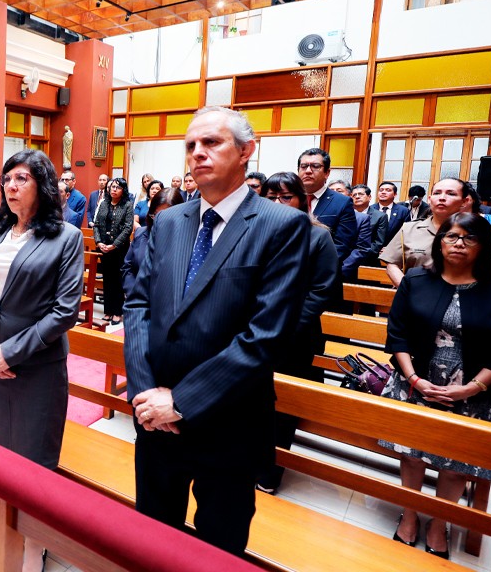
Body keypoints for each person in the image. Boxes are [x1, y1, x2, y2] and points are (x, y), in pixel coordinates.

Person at [124, 107, 309, 556]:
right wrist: (148, 394)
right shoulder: (169, 222)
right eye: (190, 146)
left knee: (217, 549)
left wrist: (181, 402)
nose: (198, 153)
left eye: (211, 143)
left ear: (246, 150)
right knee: (152, 535)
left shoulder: (281, 225)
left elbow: (265, 335)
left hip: (230, 421)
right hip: (156, 420)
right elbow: (137, 305)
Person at [0, 149, 84, 572]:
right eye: (6, 179)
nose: (10, 187)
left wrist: (8, 353)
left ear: (43, 185)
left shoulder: (65, 237)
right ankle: (4, 532)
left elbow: (64, 311)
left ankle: (35, 544)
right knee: (2, 455)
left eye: (21, 179)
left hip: (36, 366)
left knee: (34, 460)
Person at [380, 213, 491, 559]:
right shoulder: (415, 280)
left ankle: (441, 522)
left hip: (472, 392)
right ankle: (409, 513)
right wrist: (413, 378)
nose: (458, 244)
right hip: (416, 382)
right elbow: (396, 334)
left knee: (456, 463)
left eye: (469, 238)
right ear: (439, 242)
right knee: (411, 456)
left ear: (485, 246)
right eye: (451, 236)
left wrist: (469, 389)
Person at [257, 172, 340, 493]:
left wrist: (284, 325)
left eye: (285, 196)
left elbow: (323, 290)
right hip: (255, 330)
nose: (277, 203)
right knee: (251, 400)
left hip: (294, 335)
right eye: (270, 196)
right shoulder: (254, 231)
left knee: (282, 405)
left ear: (302, 200)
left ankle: (270, 470)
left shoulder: (317, 237)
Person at [379, 178, 491, 286]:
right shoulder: (409, 229)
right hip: (417, 300)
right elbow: (391, 263)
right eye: (437, 193)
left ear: (464, 201)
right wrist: (407, 290)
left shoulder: (480, 230)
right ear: (429, 199)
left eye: (451, 194)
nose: (442, 198)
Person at [298, 148, 357, 261]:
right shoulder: (288, 199)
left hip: (322, 271)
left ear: (327, 173)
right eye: (304, 166)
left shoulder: (342, 202)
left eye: (315, 166)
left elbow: (343, 246)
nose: (308, 171)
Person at [122, 187, 183, 295]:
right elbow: (127, 267)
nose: (159, 220)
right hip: (137, 299)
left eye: (166, 215)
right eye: (155, 215)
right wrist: (134, 293)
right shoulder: (141, 233)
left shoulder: (185, 238)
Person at [93, 177, 134, 326]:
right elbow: (96, 225)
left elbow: (128, 227)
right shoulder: (104, 204)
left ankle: (117, 312)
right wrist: (99, 242)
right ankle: (108, 311)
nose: (113, 189)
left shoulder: (128, 205)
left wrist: (114, 245)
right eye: (112, 187)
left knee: (118, 280)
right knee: (107, 279)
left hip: (120, 248)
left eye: (117, 187)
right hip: (104, 247)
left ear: (123, 190)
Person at [342, 183, 387, 281]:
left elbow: (378, 242)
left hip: (367, 261)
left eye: (361, 194)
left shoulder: (380, 216)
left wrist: (359, 256)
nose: (357, 197)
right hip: (344, 260)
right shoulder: (345, 214)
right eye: (354, 195)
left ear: (369, 197)